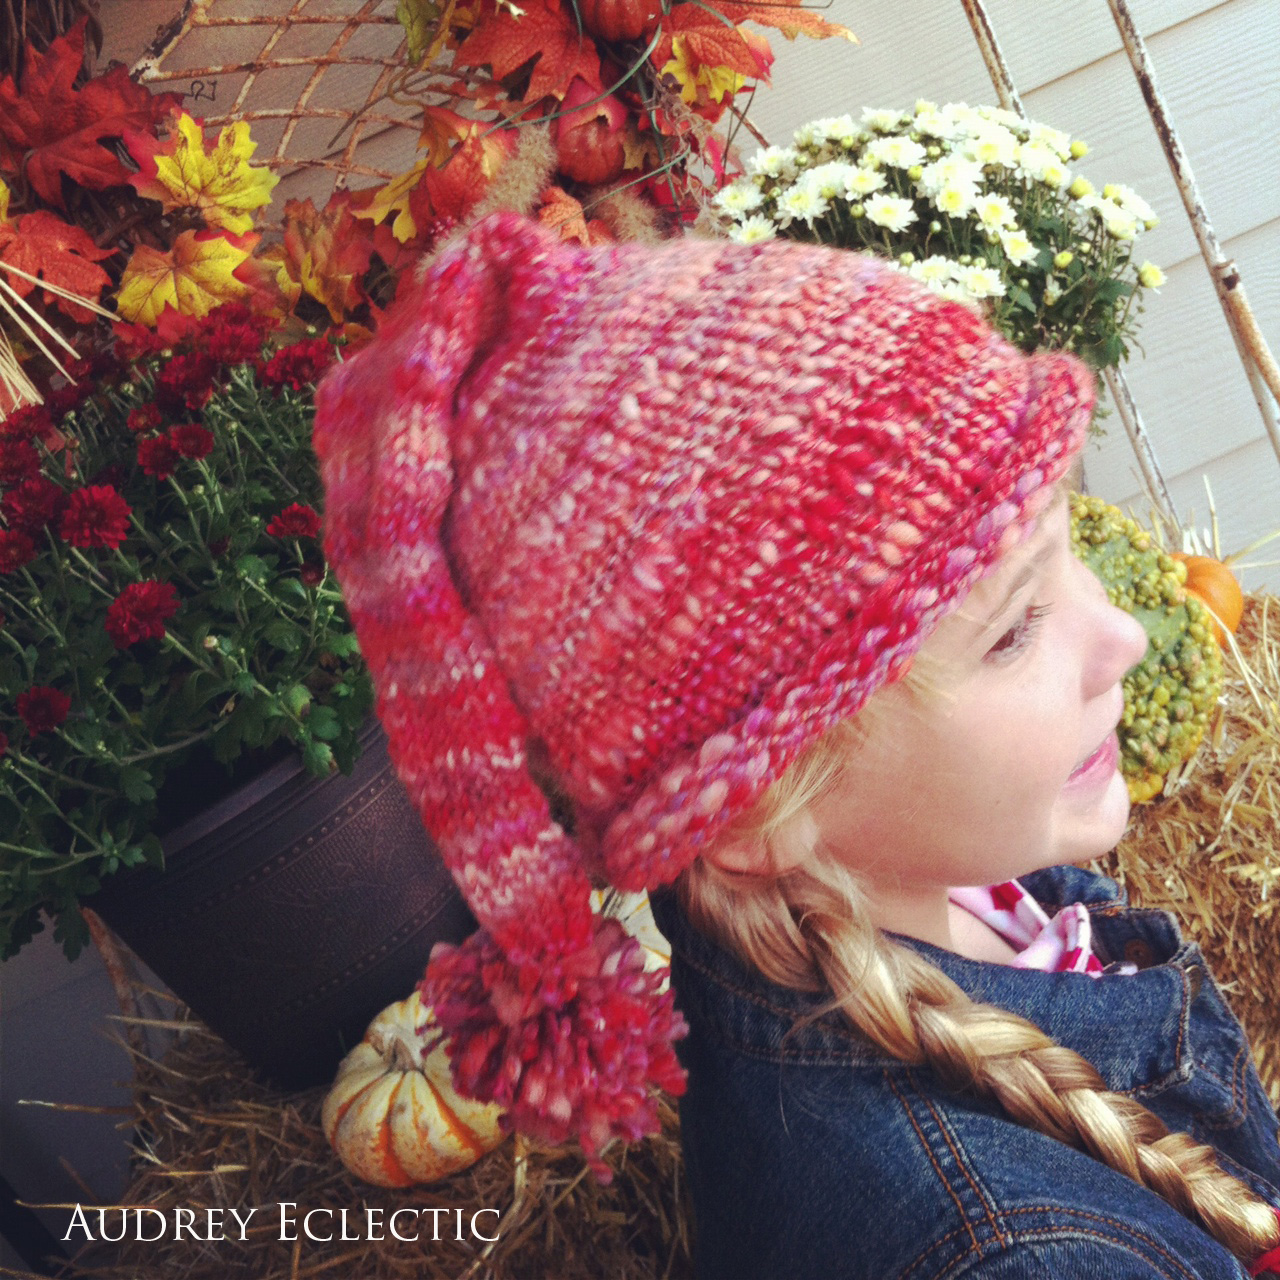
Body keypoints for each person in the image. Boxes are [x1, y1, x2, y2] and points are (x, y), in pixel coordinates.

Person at [312, 210, 1280, 1278]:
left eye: (1069, 540)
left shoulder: (895, 893)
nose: (1124, 634)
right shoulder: (1018, 1255)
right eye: (1013, 630)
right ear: (756, 810)